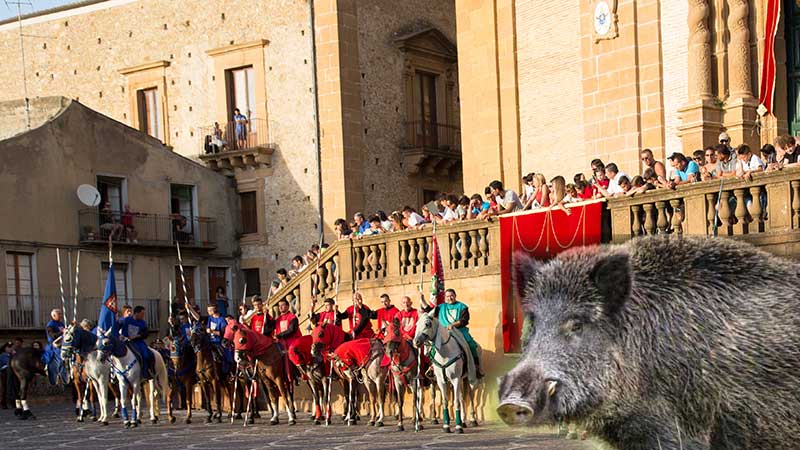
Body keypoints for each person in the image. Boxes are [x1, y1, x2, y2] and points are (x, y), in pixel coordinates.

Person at [423, 289, 483, 378]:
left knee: (471, 344)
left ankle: (476, 367)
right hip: (444, 332)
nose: (449, 298)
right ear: (445, 297)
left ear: (455, 296)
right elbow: (430, 311)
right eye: (447, 296)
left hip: (460, 331)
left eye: (451, 296)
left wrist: (453, 325)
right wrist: (422, 300)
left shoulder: (462, 307)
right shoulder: (440, 307)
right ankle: (433, 366)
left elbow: (464, 320)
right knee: (433, 346)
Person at [119, 306, 154, 379]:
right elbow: (116, 327)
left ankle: (146, 372)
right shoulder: (126, 320)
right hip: (125, 341)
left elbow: (146, 334)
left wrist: (137, 336)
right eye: (142, 314)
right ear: (136, 313)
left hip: (138, 342)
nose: (143, 316)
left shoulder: (143, 323)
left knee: (147, 355)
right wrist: (120, 336)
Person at [43, 308, 66, 385]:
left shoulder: (62, 324)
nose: (61, 316)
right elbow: (52, 335)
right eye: (59, 314)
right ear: (53, 315)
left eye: (61, 314)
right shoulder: (50, 325)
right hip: (54, 346)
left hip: (62, 344)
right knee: (61, 360)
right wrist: (61, 332)